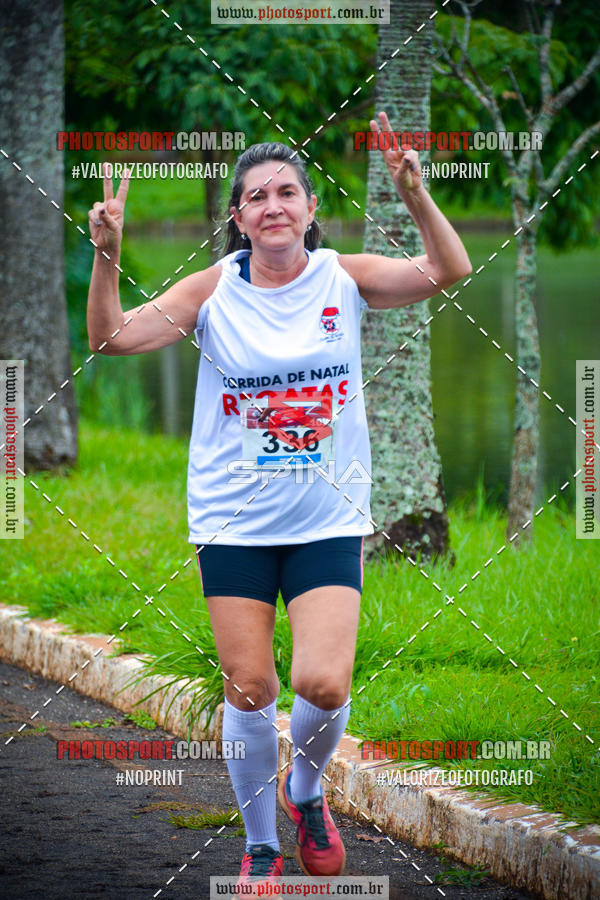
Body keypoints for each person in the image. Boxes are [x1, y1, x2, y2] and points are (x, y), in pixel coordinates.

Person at [87, 111, 472, 894]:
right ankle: (261, 846)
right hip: (234, 520)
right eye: (256, 196)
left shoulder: (343, 278)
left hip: (325, 515)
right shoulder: (213, 292)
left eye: (286, 192)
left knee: (323, 685)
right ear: (238, 218)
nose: (272, 206)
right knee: (252, 688)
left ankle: (306, 789)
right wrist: (108, 253)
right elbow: (110, 338)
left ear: (308, 208)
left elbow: (449, 269)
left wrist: (416, 195)